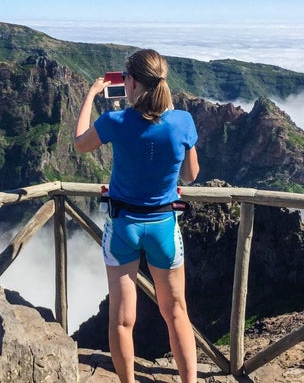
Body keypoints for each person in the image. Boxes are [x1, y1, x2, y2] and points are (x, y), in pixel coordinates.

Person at [73, 49, 200, 383]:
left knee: (121, 320)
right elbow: (190, 175)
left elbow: (79, 143)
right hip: (163, 226)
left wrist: (91, 94)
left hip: (123, 227)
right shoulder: (183, 122)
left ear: (130, 82)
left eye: (126, 78)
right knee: (176, 314)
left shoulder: (115, 122)